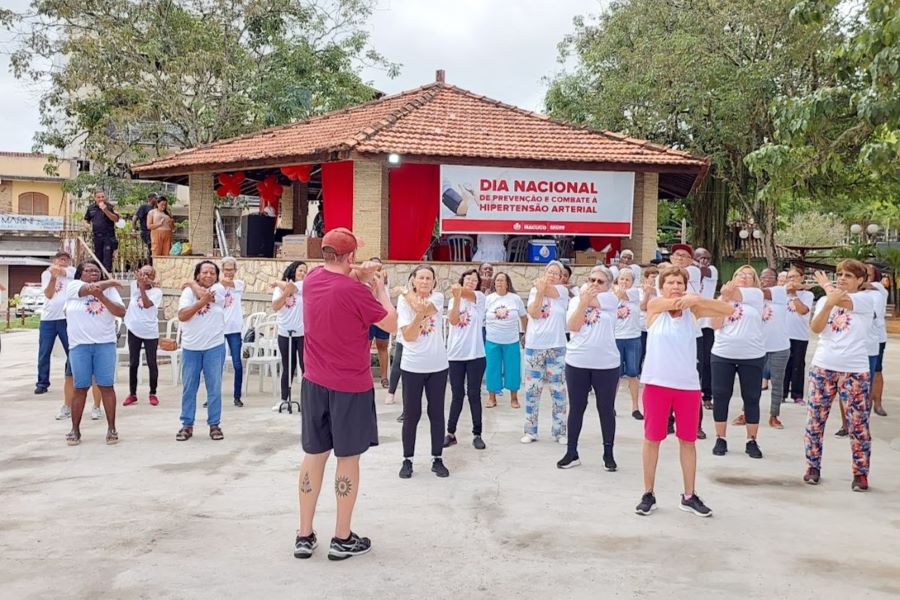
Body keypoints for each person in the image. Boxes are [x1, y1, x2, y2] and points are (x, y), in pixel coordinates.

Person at [295, 227, 396, 560]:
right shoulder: (357, 294)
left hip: (314, 382)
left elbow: (340, 273)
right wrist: (380, 290)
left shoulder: (311, 280)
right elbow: (391, 324)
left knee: (314, 455)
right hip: (350, 385)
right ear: (350, 256)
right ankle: (342, 537)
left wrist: (358, 272)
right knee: (347, 459)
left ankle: (305, 534)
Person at [635, 266, 735, 517]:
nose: (676, 286)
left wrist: (698, 300)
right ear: (662, 286)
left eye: (680, 283)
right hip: (657, 384)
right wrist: (688, 299)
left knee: (688, 440)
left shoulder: (693, 311)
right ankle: (648, 493)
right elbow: (660, 304)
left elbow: (728, 309)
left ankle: (689, 495)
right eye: (670, 282)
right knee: (652, 439)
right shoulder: (656, 308)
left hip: (688, 386)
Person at [804, 264, 876, 491]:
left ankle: (860, 473)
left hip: (854, 369)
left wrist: (827, 288)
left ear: (860, 280)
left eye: (849, 276)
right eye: (840, 275)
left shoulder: (866, 299)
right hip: (823, 366)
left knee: (858, 424)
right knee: (815, 420)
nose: (842, 279)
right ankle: (812, 466)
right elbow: (816, 327)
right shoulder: (827, 300)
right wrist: (827, 303)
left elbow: (844, 302)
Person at [557, 265, 621, 470]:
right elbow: (573, 326)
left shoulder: (611, 299)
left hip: (606, 364)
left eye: (599, 282)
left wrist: (584, 298)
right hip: (578, 362)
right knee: (577, 407)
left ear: (608, 286)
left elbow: (595, 300)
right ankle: (571, 451)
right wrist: (582, 302)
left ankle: (608, 453)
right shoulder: (577, 300)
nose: (594, 284)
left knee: (605, 409)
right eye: (591, 280)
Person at [397, 265, 450, 479]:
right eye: (421, 278)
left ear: (434, 282)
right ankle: (407, 459)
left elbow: (428, 309)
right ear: (414, 280)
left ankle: (437, 458)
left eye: (429, 278)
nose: (425, 282)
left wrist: (405, 293)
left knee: (436, 413)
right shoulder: (402, 303)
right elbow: (408, 336)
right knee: (412, 414)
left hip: (437, 366)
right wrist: (417, 314)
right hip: (412, 366)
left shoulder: (437, 297)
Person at [64, 260, 125, 445]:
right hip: (79, 346)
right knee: (80, 387)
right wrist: (111, 282)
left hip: (104, 344)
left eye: (96, 271)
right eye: (88, 270)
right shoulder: (73, 286)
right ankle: (75, 429)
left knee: (106, 386)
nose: (93, 273)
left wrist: (103, 296)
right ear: (80, 274)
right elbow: (88, 289)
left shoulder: (109, 292)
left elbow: (120, 312)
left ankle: (112, 428)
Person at [709, 266, 766, 459]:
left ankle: (752, 440)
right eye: (740, 274)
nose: (744, 277)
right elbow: (715, 324)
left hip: (751, 355)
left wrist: (729, 292)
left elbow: (738, 293)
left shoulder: (756, 296)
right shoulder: (722, 298)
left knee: (751, 397)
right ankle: (720, 437)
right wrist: (724, 299)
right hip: (723, 353)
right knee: (721, 395)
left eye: (749, 275)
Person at [176, 260, 227, 442]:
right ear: (198, 274)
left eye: (212, 272)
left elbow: (208, 296)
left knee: (214, 387)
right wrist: (197, 299)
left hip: (214, 346)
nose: (208, 275)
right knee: (189, 388)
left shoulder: (219, 289)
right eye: (204, 272)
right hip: (191, 348)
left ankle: (214, 424)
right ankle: (187, 424)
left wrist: (191, 283)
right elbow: (182, 315)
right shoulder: (187, 293)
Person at [522, 260, 569, 444]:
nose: (552, 276)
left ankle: (560, 431)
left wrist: (541, 287)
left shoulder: (562, 291)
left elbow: (550, 290)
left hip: (556, 347)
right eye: (549, 272)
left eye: (556, 273)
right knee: (532, 391)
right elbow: (534, 312)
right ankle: (530, 431)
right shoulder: (535, 291)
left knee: (558, 390)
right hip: (535, 347)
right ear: (544, 273)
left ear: (560, 277)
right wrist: (539, 290)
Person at [444, 269, 487, 451]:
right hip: (455, 355)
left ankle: (477, 433)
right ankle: (451, 433)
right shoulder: (455, 299)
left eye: (474, 280)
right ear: (462, 281)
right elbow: (453, 321)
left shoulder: (479, 297)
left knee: (474, 394)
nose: (471, 282)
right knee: (457, 395)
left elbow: (468, 294)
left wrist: (459, 291)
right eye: (467, 279)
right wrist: (456, 300)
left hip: (476, 355)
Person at [484, 272, 526, 409]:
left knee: (513, 369)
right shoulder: (488, 299)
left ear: (508, 283)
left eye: (502, 280)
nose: (500, 283)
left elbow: (524, 317)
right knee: (492, 369)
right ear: (494, 283)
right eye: (497, 280)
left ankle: (514, 398)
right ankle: (492, 397)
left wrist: (525, 333)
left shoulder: (515, 299)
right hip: (492, 340)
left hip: (511, 341)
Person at [36, 252, 75, 401]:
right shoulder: (46, 274)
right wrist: (53, 276)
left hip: (66, 318)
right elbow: (49, 294)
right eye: (60, 259)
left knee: (71, 349)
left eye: (66, 259)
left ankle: (70, 377)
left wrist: (59, 271)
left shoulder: (72, 271)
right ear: (54, 260)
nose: (63, 261)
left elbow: (65, 272)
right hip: (48, 318)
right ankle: (42, 382)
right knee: (44, 352)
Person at [122, 264, 162, 407]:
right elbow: (138, 281)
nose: (145, 276)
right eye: (143, 273)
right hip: (134, 329)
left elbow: (146, 305)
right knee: (133, 363)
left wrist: (144, 287)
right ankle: (132, 393)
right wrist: (141, 283)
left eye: (149, 274)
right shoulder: (134, 285)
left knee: (152, 363)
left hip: (150, 332)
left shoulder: (157, 292)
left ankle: (153, 393)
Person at [271, 261, 307, 411]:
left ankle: (308, 399)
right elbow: (275, 306)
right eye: (300, 271)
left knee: (306, 366)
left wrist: (280, 284)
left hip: (302, 333)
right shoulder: (280, 290)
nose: (303, 274)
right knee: (288, 366)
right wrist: (285, 292)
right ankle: (283, 398)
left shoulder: (305, 286)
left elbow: (295, 287)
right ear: (293, 271)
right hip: (285, 332)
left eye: (305, 271)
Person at [760, 268, 791, 429]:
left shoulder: (779, 291)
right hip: (758, 346)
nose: (766, 279)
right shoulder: (755, 296)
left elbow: (761, 292)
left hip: (779, 346)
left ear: (776, 278)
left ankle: (774, 416)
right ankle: (746, 413)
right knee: (752, 382)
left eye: (770, 276)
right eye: (763, 276)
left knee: (777, 383)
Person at [613, 269, 643, 420]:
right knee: (615, 374)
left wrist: (615, 291)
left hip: (632, 338)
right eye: (621, 279)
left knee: (633, 373)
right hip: (615, 338)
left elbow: (621, 294)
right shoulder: (611, 295)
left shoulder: (635, 293)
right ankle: (611, 405)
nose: (624, 282)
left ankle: (635, 407)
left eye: (627, 280)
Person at [783, 266, 813, 405]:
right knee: (783, 365)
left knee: (798, 365)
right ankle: (781, 394)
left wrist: (794, 294)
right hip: (783, 335)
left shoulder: (808, 295)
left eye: (795, 277)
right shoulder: (782, 293)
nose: (792, 280)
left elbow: (802, 310)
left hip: (800, 335)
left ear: (801, 278)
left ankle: (797, 395)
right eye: (789, 277)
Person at [692, 248, 718, 411]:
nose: (705, 261)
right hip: (692, 324)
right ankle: (694, 394)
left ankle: (707, 395)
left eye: (707, 258)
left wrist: (694, 265)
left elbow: (704, 272)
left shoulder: (712, 270)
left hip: (706, 324)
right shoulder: (691, 271)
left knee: (707, 362)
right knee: (695, 362)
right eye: (701, 258)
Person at [220, 257, 245, 407]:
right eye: (226, 269)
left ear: (235, 271)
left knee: (237, 363)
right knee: (216, 365)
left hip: (234, 329)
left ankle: (237, 396)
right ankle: (212, 396)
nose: (229, 272)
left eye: (231, 269)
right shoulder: (217, 286)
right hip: (218, 329)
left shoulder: (239, 284)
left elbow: (227, 283)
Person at [865, 263, 889, 417]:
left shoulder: (879, 290)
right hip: (859, 338)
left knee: (877, 371)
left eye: (868, 273)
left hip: (877, 338)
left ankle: (877, 403)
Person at [367, 258, 391, 389]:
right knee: (366, 347)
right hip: (369, 318)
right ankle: (366, 375)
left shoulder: (385, 279)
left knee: (383, 347)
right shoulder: (365, 281)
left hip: (382, 317)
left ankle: (384, 377)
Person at [84, 190, 120, 273]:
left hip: (108, 237)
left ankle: (107, 277)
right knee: (98, 258)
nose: (101, 199)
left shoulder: (110, 207)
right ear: (95, 198)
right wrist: (87, 225)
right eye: (98, 197)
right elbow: (86, 220)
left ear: (105, 197)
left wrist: (105, 210)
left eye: (102, 197)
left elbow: (116, 219)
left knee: (107, 259)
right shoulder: (91, 208)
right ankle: (99, 277)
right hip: (97, 237)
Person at [133, 193, 157, 261]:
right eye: (155, 198)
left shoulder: (156, 208)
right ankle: (150, 264)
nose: (156, 200)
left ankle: (152, 263)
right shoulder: (144, 207)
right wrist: (133, 230)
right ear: (150, 198)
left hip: (154, 232)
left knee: (154, 249)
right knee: (151, 248)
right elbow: (135, 218)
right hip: (146, 232)